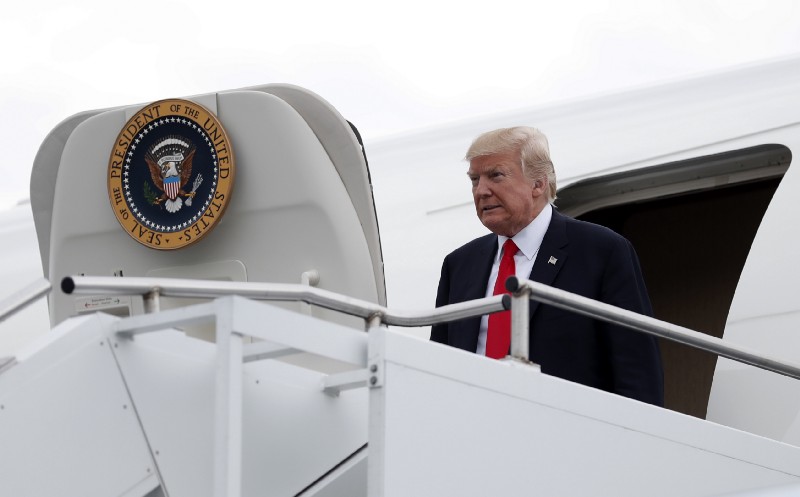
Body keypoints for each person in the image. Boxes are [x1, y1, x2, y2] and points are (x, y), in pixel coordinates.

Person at [430, 126, 664, 406]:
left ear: (538, 183)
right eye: (474, 180)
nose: (481, 191)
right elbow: (438, 369)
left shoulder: (602, 251)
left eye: (496, 175)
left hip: (567, 435)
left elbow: (637, 370)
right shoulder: (459, 264)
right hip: (471, 431)